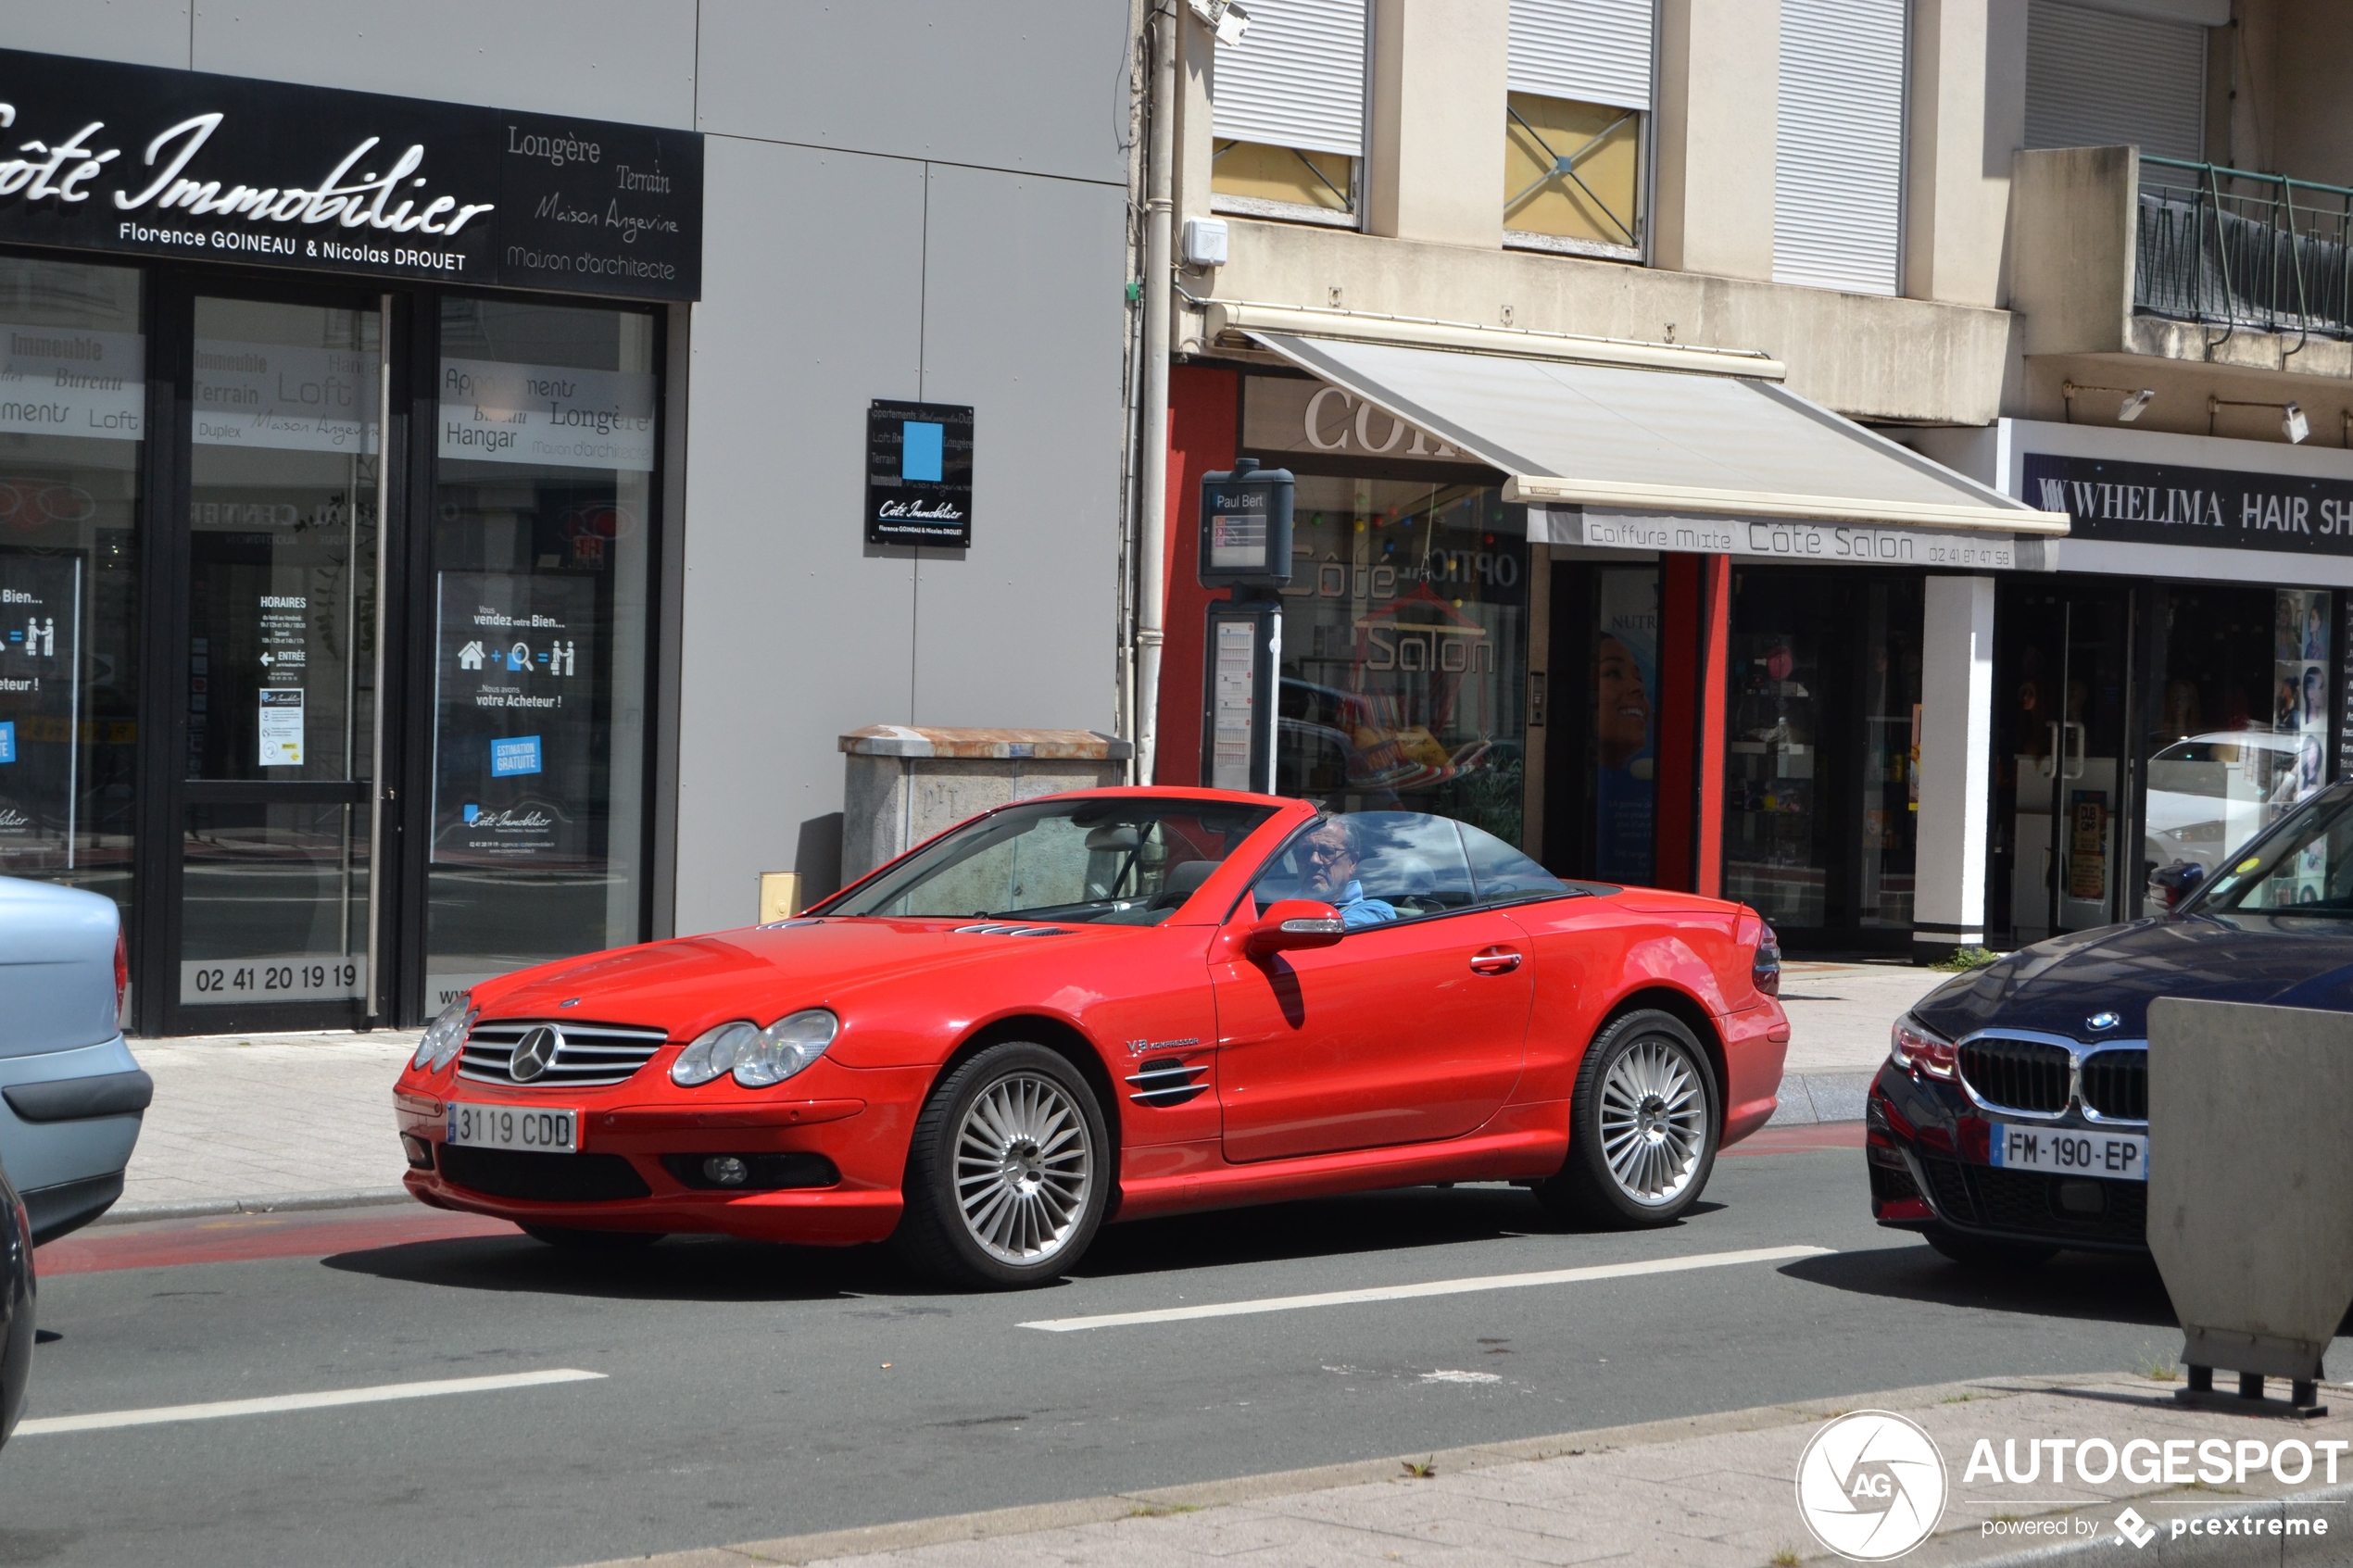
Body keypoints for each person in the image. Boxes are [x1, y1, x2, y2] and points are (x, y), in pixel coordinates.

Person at [1297, 815, 1398, 929]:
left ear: (1352, 862)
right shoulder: (1278, 904)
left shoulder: (1374, 911)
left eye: (1327, 851)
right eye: (1305, 852)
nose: (1313, 860)